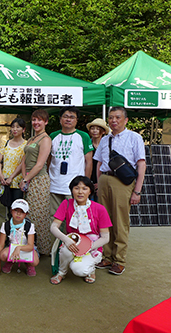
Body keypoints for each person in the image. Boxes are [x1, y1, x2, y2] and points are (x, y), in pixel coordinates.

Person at [93, 107, 145, 275]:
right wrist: (98, 182)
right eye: (111, 117)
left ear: (126, 120)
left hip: (123, 183)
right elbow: (99, 163)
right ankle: (107, 256)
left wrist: (137, 191)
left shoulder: (134, 137)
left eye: (117, 117)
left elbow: (141, 164)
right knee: (104, 221)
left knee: (120, 221)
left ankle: (119, 259)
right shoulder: (104, 139)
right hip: (105, 180)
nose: (113, 120)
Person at [50, 176, 112, 284]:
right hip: (72, 242)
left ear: (90, 191)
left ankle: (91, 270)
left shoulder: (99, 208)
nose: (80, 192)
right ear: (72, 190)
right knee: (65, 250)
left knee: (78, 269)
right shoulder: (66, 204)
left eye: (84, 188)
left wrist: (87, 247)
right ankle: (61, 272)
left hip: (93, 247)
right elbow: (53, 227)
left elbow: (106, 237)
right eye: (77, 188)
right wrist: (66, 240)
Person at [49, 106, 93, 222]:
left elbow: (89, 161)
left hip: (75, 187)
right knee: (54, 218)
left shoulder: (83, 136)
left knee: (74, 218)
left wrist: (85, 185)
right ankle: (56, 241)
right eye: (65, 116)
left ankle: (71, 241)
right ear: (60, 119)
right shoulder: (53, 136)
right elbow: (49, 160)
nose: (68, 119)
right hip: (54, 185)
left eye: (72, 117)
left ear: (76, 120)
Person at [19, 109, 52, 255]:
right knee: (29, 215)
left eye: (39, 120)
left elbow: (40, 164)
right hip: (28, 179)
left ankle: (44, 250)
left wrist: (26, 179)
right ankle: (30, 246)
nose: (36, 123)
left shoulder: (45, 139)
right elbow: (24, 160)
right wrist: (24, 177)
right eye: (34, 119)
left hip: (39, 181)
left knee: (39, 217)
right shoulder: (31, 139)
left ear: (45, 122)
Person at [0, 199, 39, 278]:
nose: (18, 214)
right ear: (11, 210)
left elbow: (30, 246)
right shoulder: (6, 225)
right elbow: (0, 245)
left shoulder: (29, 226)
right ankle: (10, 262)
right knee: (3, 255)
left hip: (26, 248)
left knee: (35, 261)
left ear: (26, 214)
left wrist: (19, 248)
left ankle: (29, 264)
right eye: (16, 210)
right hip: (11, 247)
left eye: (22, 212)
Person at [0, 117, 27, 217]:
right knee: (8, 208)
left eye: (18, 127)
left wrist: (11, 177)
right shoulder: (7, 143)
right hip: (6, 182)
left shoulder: (26, 145)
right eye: (13, 127)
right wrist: (0, 175)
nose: (15, 129)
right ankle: (8, 229)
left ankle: (17, 230)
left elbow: (22, 163)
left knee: (18, 209)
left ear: (23, 129)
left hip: (18, 183)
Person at [86, 118, 109, 201]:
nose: (94, 131)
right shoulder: (86, 144)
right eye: (92, 128)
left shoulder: (106, 145)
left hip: (101, 179)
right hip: (88, 177)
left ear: (103, 131)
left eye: (98, 129)